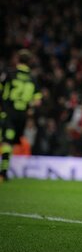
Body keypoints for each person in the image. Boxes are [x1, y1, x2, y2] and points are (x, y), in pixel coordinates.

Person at [0, 49, 42, 182]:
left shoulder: (9, 73)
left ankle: (3, 172)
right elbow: (37, 101)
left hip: (7, 112)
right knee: (9, 143)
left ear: (17, 59)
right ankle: (4, 171)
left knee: (6, 141)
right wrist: (28, 107)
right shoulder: (32, 78)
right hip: (21, 116)